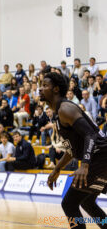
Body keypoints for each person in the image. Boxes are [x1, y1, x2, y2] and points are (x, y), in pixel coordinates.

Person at [42, 72, 107, 229]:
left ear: (56, 89)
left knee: (69, 204)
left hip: (100, 157)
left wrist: (84, 165)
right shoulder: (59, 113)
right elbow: (72, 150)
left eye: (45, 86)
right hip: (101, 158)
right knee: (87, 202)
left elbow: (91, 134)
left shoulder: (66, 108)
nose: (40, 89)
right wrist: (57, 169)